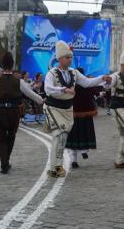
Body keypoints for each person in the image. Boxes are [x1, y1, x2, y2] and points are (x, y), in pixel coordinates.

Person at [43, 41, 110, 178]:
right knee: (59, 134)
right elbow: (48, 89)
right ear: (59, 58)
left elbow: (87, 82)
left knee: (62, 136)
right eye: (67, 57)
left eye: (71, 57)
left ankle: (54, 167)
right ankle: (56, 166)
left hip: (67, 109)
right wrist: (64, 89)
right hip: (53, 107)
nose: (70, 59)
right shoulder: (51, 73)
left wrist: (101, 78)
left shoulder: (74, 73)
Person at [0, 53, 44, 174]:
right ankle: (6, 161)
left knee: (0, 138)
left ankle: (4, 163)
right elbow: (30, 93)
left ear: (1, 65)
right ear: (12, 65)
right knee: (11, 136)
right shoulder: (18, 81)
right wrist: (41, 100)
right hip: (14, 112)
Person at [66, 68, 100, 168]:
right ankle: (84, 150)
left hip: (73, 114)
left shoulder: (70, 85)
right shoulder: (88, 85)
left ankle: (74, 159)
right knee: (85, 134)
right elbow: (96, 93)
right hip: (86, 113)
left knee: (73, 137)